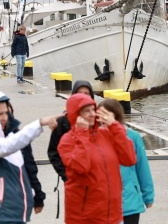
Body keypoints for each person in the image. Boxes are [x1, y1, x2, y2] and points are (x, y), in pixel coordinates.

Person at [0, 86, 60, 223]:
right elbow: (6, 147)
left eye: (6, 113)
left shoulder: (10, 136)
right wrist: (40, 123)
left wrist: (35, 194)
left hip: (16, 215)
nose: (5, 118)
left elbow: (27, 170)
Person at [58, 93, 136, 224]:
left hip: (114, 216)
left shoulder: (106, 134)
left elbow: (130, 159)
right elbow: (81, 167)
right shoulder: (67, 141)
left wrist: (114, 126)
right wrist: (82, 134)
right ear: (76, 115)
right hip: (85, 219)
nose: (92, 114)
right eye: (86, 111)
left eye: (93, 109)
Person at [99, 99, 154, 224]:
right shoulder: (95, 137)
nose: (102, 118)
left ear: (116, 115)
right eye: (100, 114)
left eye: (106, 114)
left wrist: (148, 196)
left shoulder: (133, 137)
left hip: (129, 203)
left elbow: (142, 167)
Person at [4, 101, 47, 215]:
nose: (5, 118)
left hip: (17, 200)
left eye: (8, 114)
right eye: (1, 114)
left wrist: (38, 196)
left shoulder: (20, 139)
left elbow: (30, 167)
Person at [47, 81, 93, 182]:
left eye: (86, 93)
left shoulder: (97, 122)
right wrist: (65, 175)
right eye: (79, 93)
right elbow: (53, 152)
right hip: (74, 180)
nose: (83, 96)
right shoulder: (63, 122)